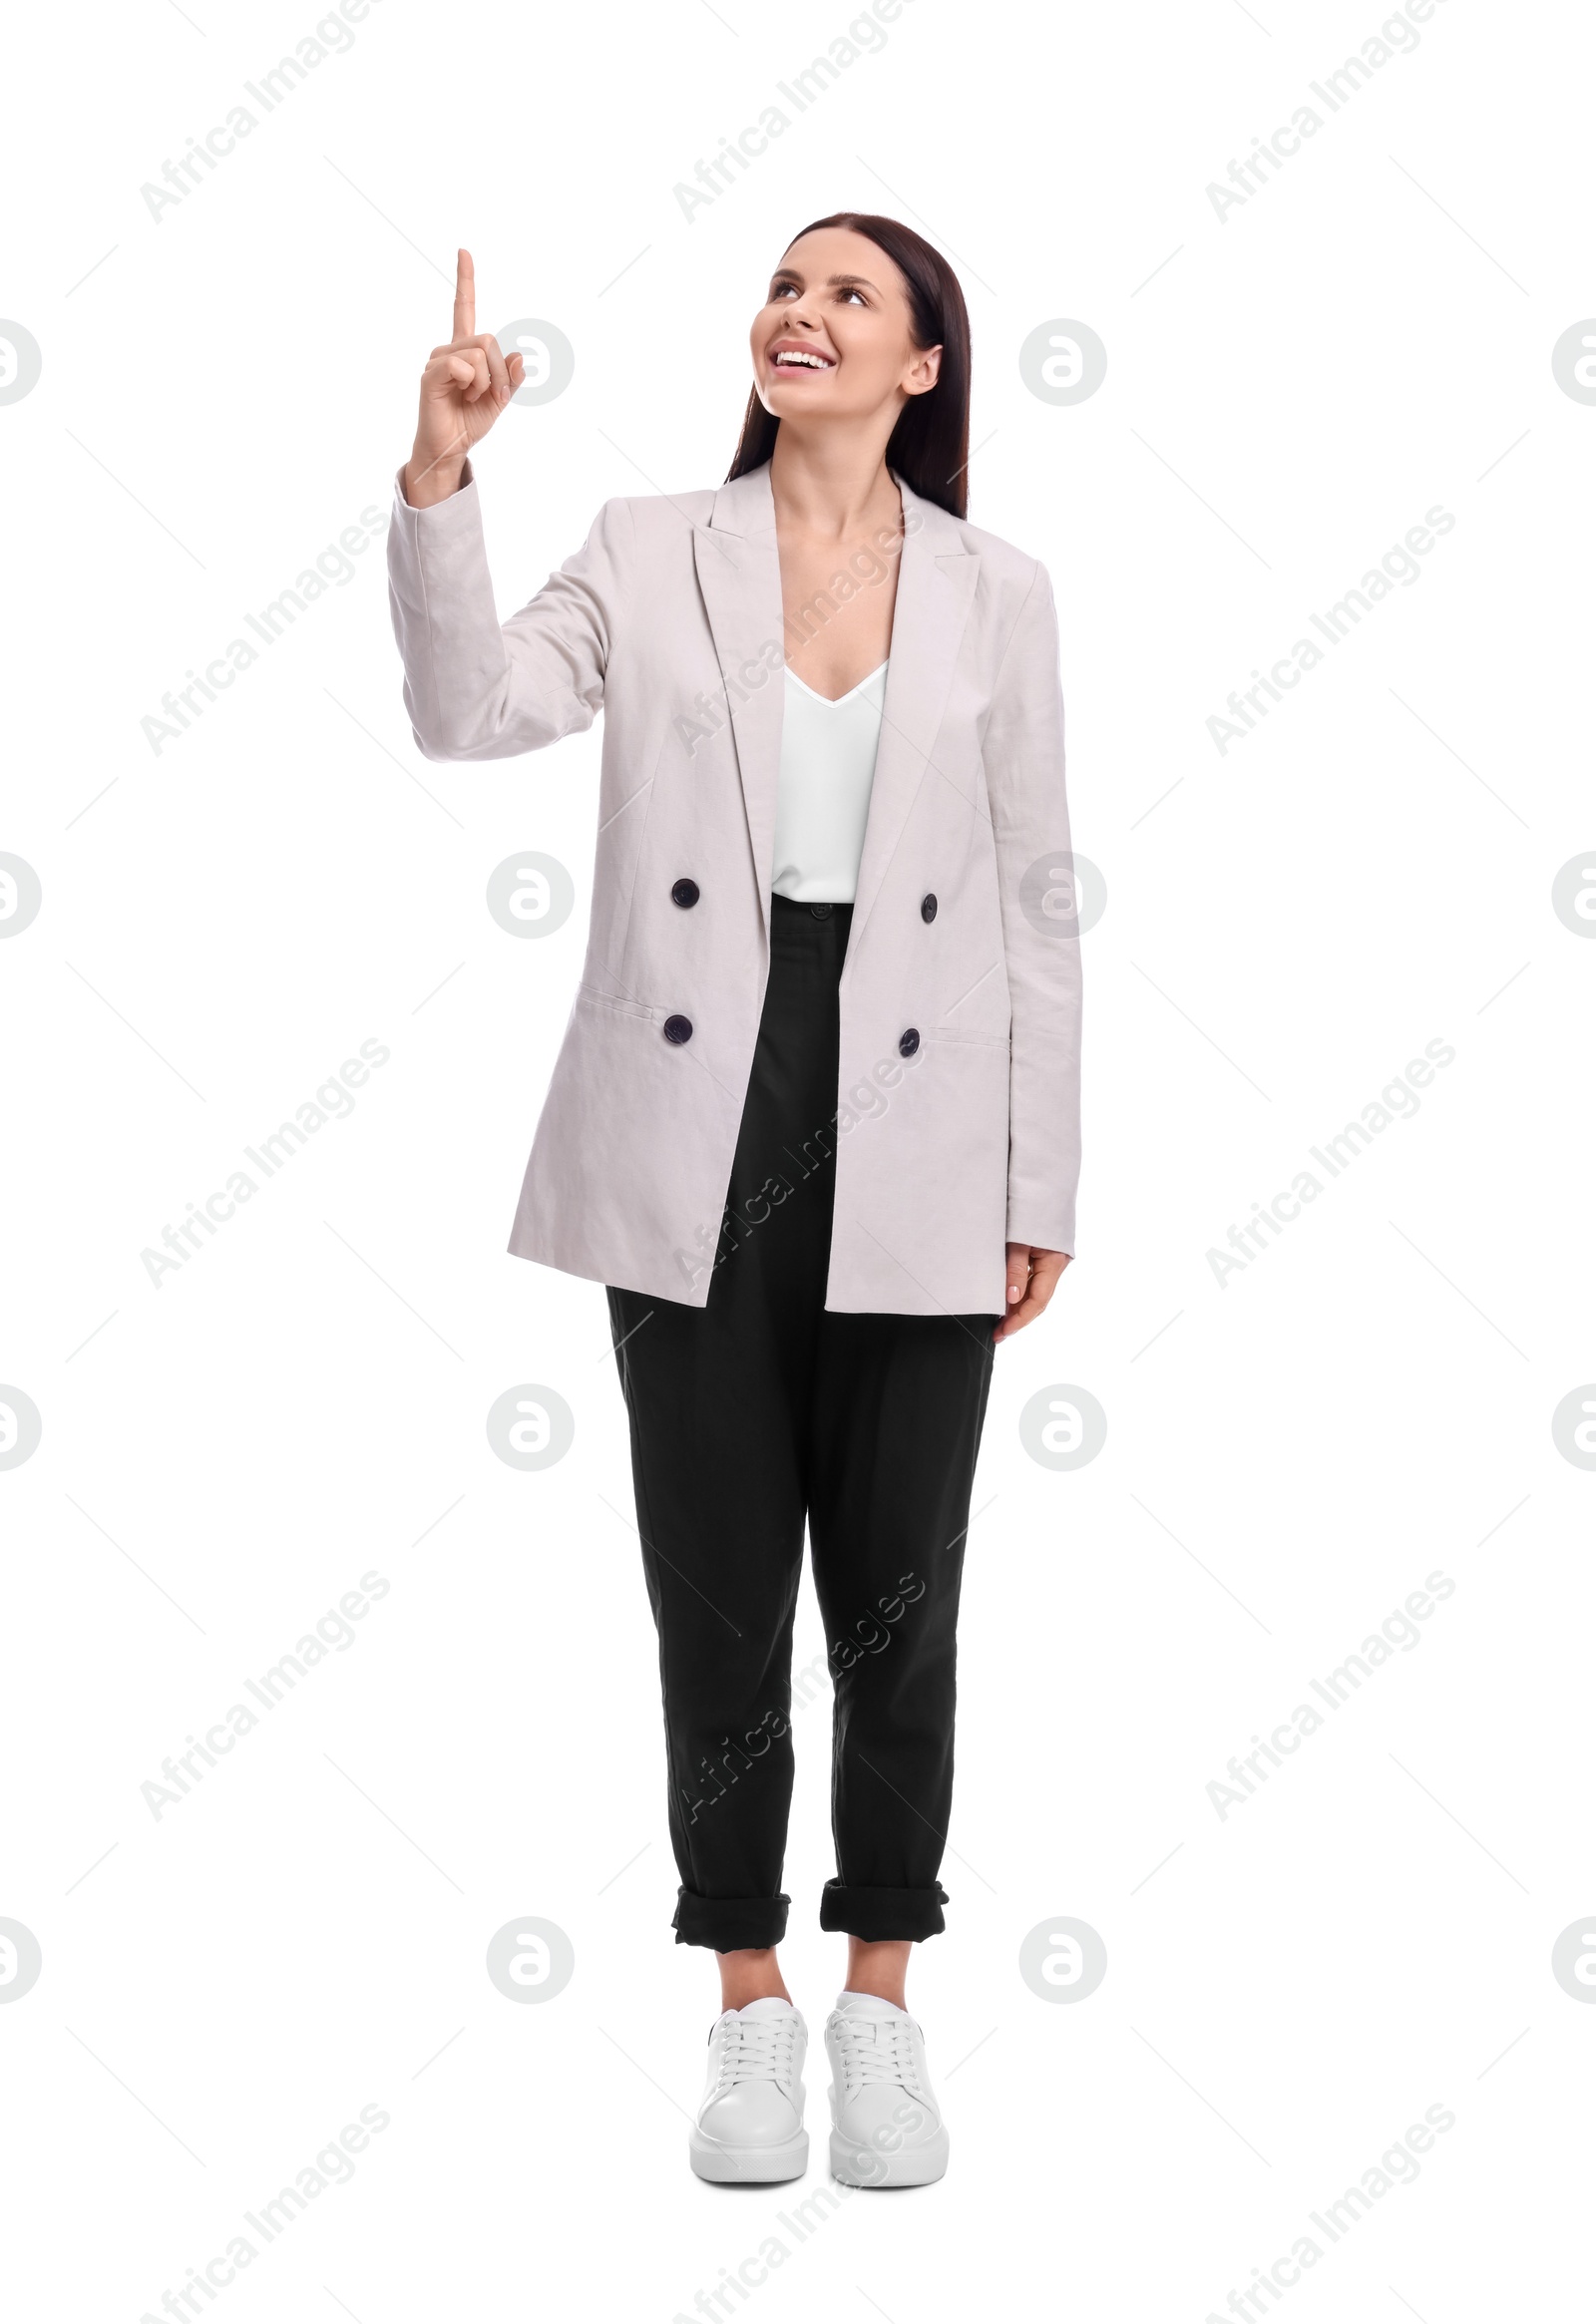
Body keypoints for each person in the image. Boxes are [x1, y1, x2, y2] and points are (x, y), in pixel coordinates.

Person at [386, 212, 1081, 2187]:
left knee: (898, 1589)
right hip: (696, 1101)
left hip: (925, 1107)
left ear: (923, 363)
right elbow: (471, 712)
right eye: (785, 284)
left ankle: (882, 1995)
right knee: (713, 1585)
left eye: (850, 294)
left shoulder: (997, 592)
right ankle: (745, 2004)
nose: (801, 311)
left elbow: (1038, 892)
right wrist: (442, 475)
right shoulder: (644, 542)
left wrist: (1044, 1172)